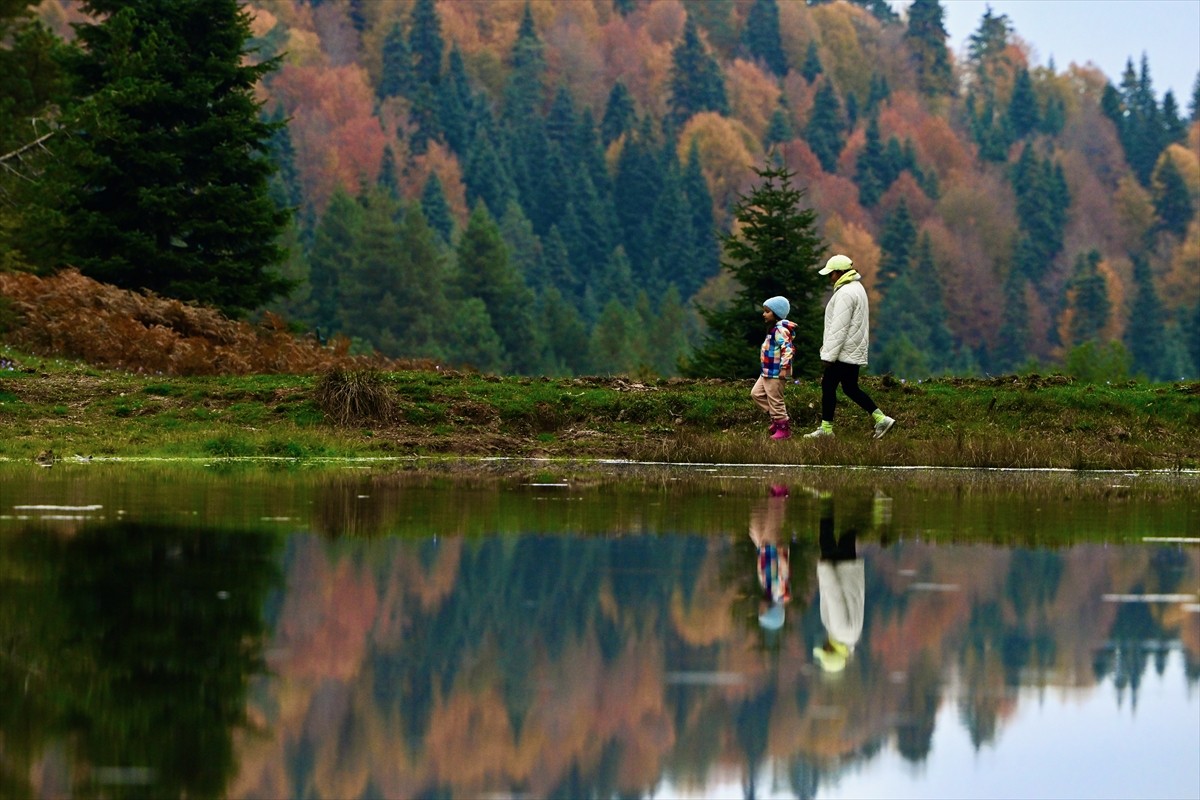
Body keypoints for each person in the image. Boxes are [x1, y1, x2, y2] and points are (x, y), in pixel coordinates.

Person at [805, 254, 895, 439]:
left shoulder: (845, 293)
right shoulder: (857, 288)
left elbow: (839, 327)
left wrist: (828, 356)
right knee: (850, 388)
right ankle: (881, 418)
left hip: (842, 351)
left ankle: (826, 430)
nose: (829, 278)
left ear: (839, 273)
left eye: (831, 274)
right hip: (853, 349)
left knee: (828, 385)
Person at [812, 495, 865, 674]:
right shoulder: (840, 631)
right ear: (832, 651)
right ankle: (827, 496)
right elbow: (834, 596)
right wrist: (824, 569)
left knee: (848, 533)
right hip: (838, 570)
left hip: (850, 572)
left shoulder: (852, 637)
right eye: (826, 650)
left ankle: (861, 497)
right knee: (826, 536)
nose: (823, 645)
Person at [752, 296, 797, 440]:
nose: (763, 314)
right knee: (756, 394)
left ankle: (783, 429)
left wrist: (784, 368)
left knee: (776, 400)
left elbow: (788, 349)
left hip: (776, 373)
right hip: (767, 371)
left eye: (767, 311)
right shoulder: (773, 330)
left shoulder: (781, 330)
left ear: (776, 313)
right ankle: (776, 419)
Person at [750, 484, 792, 630]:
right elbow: (783, 572)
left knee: (755, 525)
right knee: (773, 520)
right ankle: (779, 492)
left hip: (763, 549)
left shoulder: (766, 588)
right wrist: (781, 553)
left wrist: (759, 550)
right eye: (762, 611)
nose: (759, 607)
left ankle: (765, 494)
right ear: (771, 609)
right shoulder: (778, 591)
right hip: (773, 548)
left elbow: (763, 567)